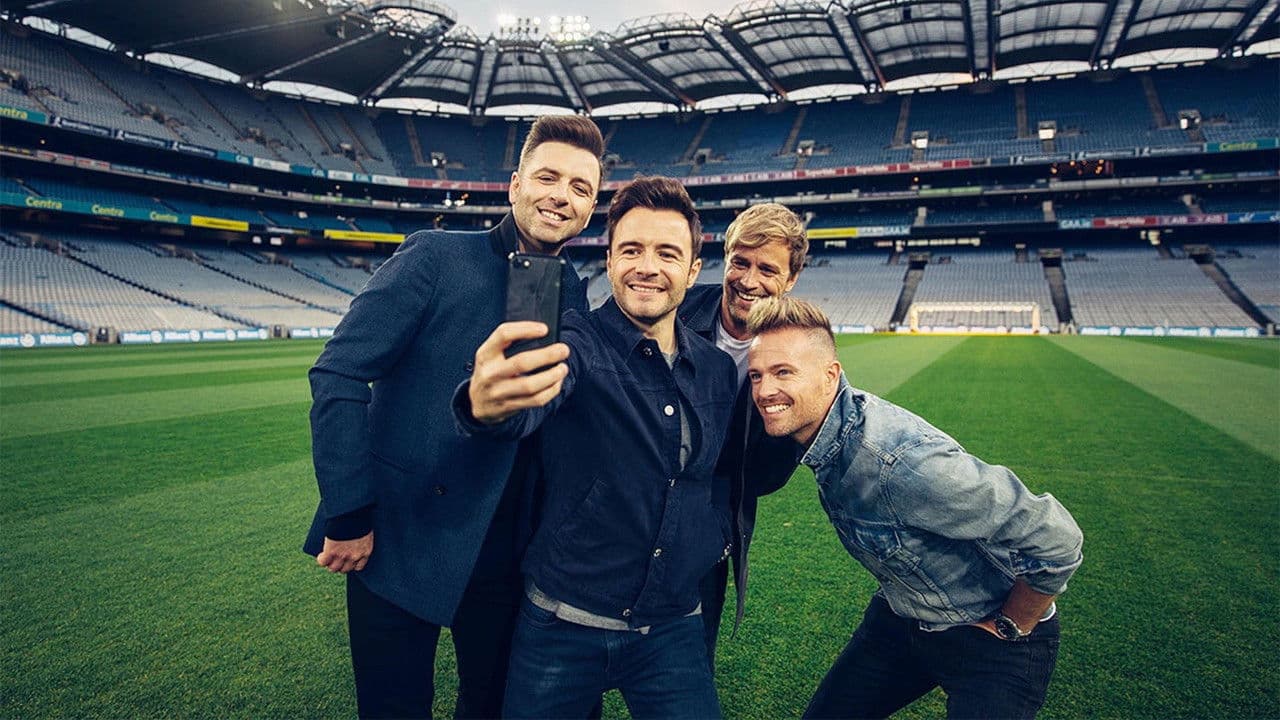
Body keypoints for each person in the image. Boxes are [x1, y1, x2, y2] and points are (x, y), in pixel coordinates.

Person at [304, 115, 605, 719]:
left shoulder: (573, 291)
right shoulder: (435, 256)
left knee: (489, 706)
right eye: (548, 177)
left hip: (505, 553)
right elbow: (337, 374)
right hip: (396, 534)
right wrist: (349, 511)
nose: (561, 196)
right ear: (515, 184)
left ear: (591, 207)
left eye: (580, 187)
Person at [455, 176, 738, 719]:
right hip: (562, 624)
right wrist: (486, 406)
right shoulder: (577, 339)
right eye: (630, 250)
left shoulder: (717, 370)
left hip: (672, 626)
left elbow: (717, 475)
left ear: (693, 270)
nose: (647, 266)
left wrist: (711, 537)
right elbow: (529, 402)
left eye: (667, 253)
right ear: (608, 262)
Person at [744, 297, 1084, 720]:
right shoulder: (821, 432)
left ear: (831, 376)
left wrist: (1010, 624)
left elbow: (1057, 538)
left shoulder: (900, 462)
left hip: (992, 637)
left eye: (783, 372)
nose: (764, 391)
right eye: (756, 375)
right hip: (901, 618)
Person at [677, 203, 809, 660]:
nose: (749, 281)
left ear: (791, 279)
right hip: (632, 507)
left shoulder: (798, 354)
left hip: (708, 525)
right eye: (740, 262)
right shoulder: (677, 308)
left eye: (767, 269)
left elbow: (770, 476)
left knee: (690, 663)